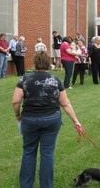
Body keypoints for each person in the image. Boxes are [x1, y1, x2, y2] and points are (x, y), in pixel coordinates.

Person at [12, 52, 84, 188]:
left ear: (35, 63)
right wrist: (76, 121)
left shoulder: (25, 79)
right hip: (51, 120)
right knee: (47, 153)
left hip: (29, 120)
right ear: (48, 63)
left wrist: (17, 115)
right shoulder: (55, 80)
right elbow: (65, 103)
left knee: (29, 151)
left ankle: (26, 185)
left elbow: (15, 101)